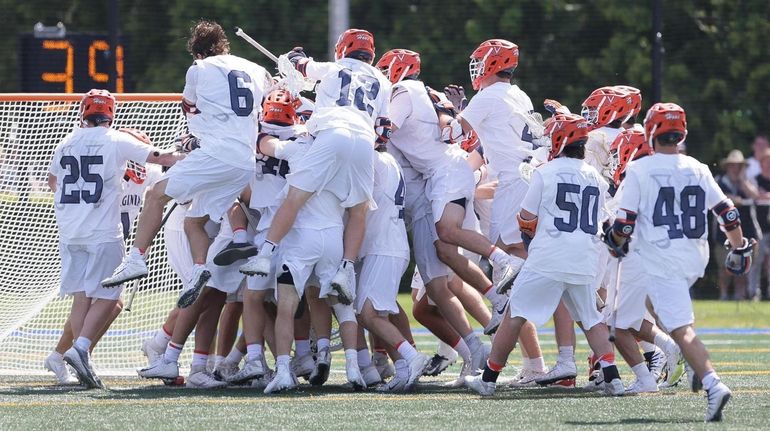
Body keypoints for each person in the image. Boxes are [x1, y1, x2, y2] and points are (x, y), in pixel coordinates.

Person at [101, 20, 270, 311]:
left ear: (199, 53)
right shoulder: (255, 68)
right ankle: (199, 271)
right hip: (244, 164)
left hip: (218, 154)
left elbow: (189, 108)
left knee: (156, 194)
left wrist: (196, 137)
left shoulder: (198, 69)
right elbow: (276, 89)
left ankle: (136, 259)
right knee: (196, 220)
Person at [605, 102, 752, 421]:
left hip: (661, 257)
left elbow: (624, 225)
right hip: (692, 256)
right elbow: (727, 213)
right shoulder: (698, 167)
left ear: (651, 132)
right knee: (663, 308)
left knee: (680, 327)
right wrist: (739, 248)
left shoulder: (640, 169)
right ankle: (694, 364)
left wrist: (613, 242)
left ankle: (713, 382)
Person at [464, 113, 625, 397]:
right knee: (591, 319)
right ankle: (614, 379)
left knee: (515, 314)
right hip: (584, 257)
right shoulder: (595, 178)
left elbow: (526, 218)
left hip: (549, 255)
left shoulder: (545, 172)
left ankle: (488, 379)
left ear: (561, 140)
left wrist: (531, 240)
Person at [240, 29, 392, 306]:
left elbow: (299, 64)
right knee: (358, 211)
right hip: (363, 141)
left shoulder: (334, 67)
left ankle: (265, 254)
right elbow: (383, 131)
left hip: (331, 131)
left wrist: (294, 58)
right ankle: (346, 271)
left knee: (295, 198)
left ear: (343, 49)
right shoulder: (384, 81)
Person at [48, 89, 178, 388]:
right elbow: (161, 156)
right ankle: (80, 348)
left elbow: (53, 181)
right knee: (110, 296)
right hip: (102, 232)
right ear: (111, 113)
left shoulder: (66, 141)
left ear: (83, 112)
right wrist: (194, 154)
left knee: (82, 296)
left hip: (70, 231)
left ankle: (80, 355)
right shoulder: (116, 139)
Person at [714, 149, 760, 300]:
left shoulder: (748, 181)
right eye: (732, 165)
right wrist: (732, 199)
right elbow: (715, 197)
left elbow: (755, 195)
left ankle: (740, 295)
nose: (735, 168)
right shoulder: (719, 181)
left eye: (739, 166)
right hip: (723, 234)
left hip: (746, 232)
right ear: (727, 166)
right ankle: (724, 295)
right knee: (724, 268)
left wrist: (741, 180)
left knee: (743, 266)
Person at [751, 148, 770, 300]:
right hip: (760, 229)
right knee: (756, 262)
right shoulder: (755, 180)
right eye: (766, 161)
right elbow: (754, 194)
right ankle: (754, 293)